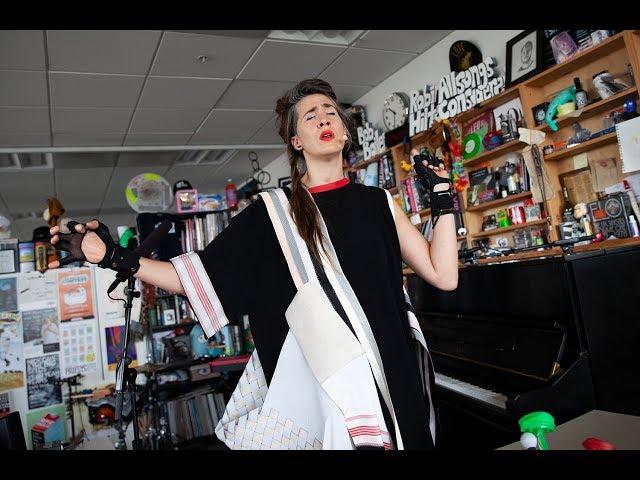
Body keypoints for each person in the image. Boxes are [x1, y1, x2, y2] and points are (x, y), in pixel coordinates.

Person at [48, 78, 458, 450]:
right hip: (328, 396)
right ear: (296, 140)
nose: (324, 120)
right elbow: (194, 277)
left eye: (331, 112)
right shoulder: (273, 216)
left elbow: (444, 275)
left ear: (345, 131)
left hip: (396, 377)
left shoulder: (380, 202)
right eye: (310, 116)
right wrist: (115, 257)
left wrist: (443, 197)